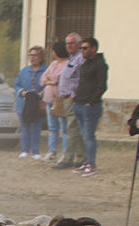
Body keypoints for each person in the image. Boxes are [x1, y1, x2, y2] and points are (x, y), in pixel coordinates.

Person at [72, 37, 108, 177]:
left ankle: (92, 164)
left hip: (90, 106)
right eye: (81, 48)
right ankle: (86, 162)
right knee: (83, 135)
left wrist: (91, 102)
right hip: (79, 103)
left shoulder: (100, 64)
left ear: (94, 49)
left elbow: (101, 86)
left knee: (89, 136)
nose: (82, 50)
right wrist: (76, 99)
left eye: (85, 48)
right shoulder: (85, 64)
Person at [52, 32, 86, 170]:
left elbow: (82, 79)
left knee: (71, 129)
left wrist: (74, 95)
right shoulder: (71, 59)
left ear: (79, 43)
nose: (69, 45)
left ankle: (68, 158)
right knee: (74, 129)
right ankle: (82, 157)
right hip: (65, 99)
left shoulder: (80, 59)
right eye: (67, 43)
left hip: (73, 99)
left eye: (72, 43)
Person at [14, 46, 47, 159]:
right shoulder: (24, 71)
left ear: (41, 57)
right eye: (30, 55)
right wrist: (22, 92)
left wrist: (43, 93)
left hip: (38, 104)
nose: (32, 58)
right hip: (23, 104)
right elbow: (17, 84)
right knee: (25, 127)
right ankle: (25, 150)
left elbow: (50, 85)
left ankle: (36, 151)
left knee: (36, 127)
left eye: (35, 55)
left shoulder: (46, 70)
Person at [39, 41, 69, 163]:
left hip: (60, 99)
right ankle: (52, 151)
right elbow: (42, 78)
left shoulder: (68, 64)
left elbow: (59, 79)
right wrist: (50, 80)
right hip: (49, 100)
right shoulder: (54, 63)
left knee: (64, 127)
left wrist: (51, 79)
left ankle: (65, 152)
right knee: (52, 127)